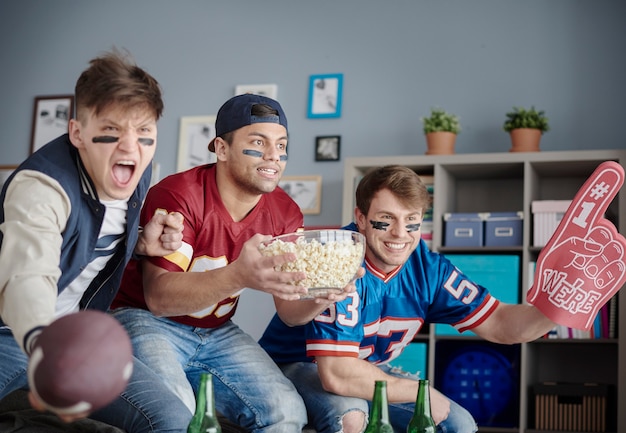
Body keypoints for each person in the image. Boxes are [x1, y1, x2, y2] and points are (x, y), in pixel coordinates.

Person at [111, 93, 355, 432]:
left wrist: (320, 294)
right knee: (176, 414)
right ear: (221, 149)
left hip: (217, 331)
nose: (275, 156)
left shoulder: (285, 212)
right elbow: (160, 299)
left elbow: (289, 311)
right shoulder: (179, 194)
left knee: (286, 411)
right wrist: (239, 274)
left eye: (282, 145)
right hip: (146, 320)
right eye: (259, 142)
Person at [259, 164, 564, 433]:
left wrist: (563, 306)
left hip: (367, 370)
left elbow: (500, 323)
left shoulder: (429, 269)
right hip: (298, 364)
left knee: (458, 424)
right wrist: (421, 392)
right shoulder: (339, 258)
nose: (399, 234)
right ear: (361, 218)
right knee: (351, 416)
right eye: (386, 219)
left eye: (412, 221)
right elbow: (338, 375)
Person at [0, 50, 192, 432]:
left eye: (144, 134)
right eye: (113, 130)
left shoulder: (137, 170)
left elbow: (90, 238)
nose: (130, 147)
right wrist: (49, 354)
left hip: (80, 335)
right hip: (11, 334)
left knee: (172, 421)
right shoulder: (42, 188)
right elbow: (26, 279)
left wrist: (140, 244)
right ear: (77, 134)